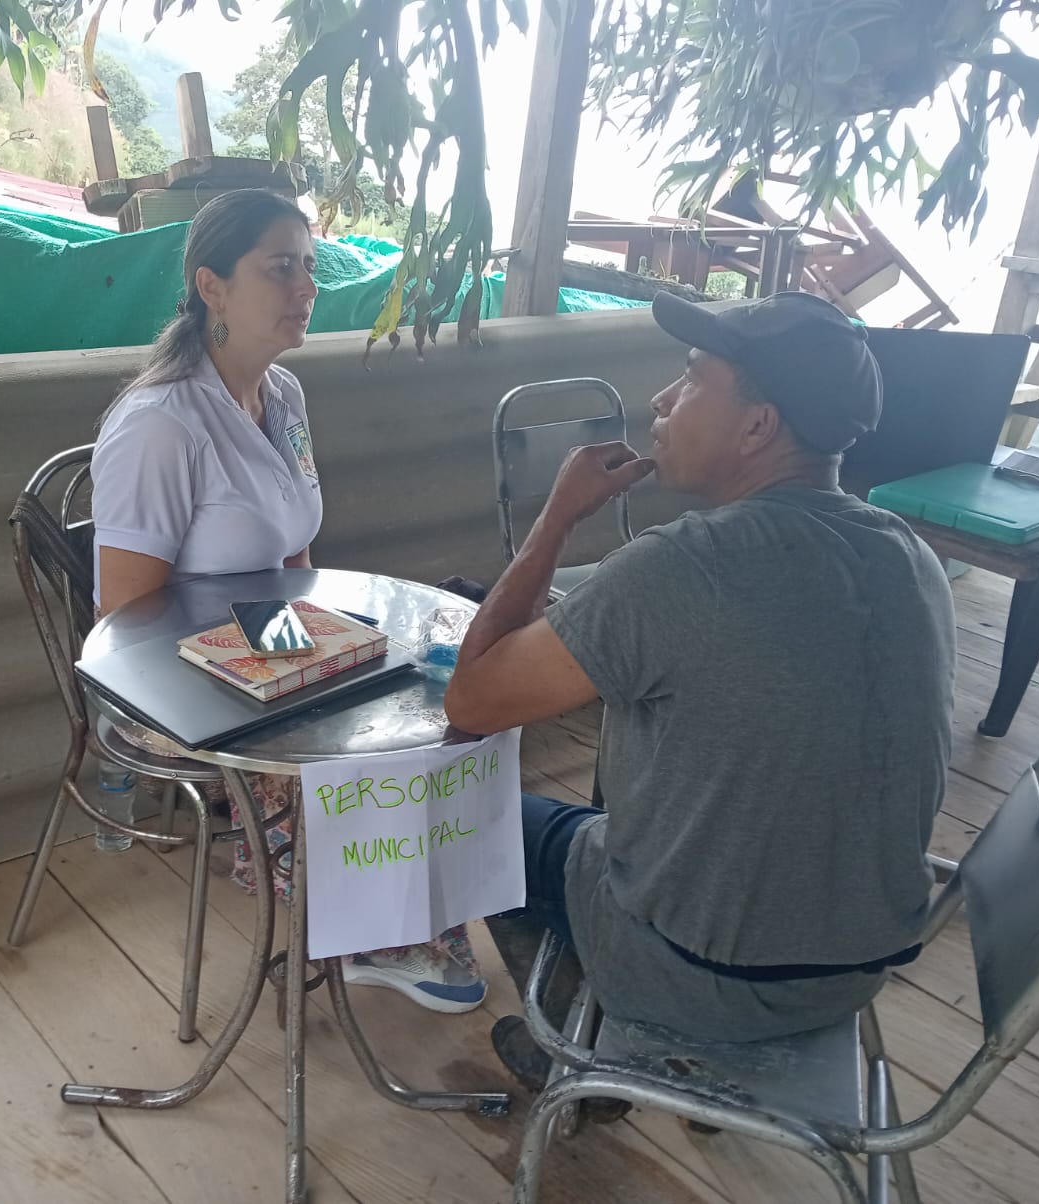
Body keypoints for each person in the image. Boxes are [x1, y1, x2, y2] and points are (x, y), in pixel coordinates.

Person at [443, 290, 955, 1085]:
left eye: (690, 379)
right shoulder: (910, 556)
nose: (661, 401)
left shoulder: (685, 566)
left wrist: (557, 518)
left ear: (758, 427)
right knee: (612, 810)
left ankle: (583, 1050)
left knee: (462, 811)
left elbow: (473, 701)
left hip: (700, 977)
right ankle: (595, 1018)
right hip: (854, 969)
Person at [91, 188, 487, 1013]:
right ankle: (367, 928)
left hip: (271, 644)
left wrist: (323, 642)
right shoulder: (161, 424)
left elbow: (295, 556)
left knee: (430, 697)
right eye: (280, 268)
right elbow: (124, 621)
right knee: (348, 745)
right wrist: (279, 664)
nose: (306, 287)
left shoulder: (285, 398)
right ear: (211, 287)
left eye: (309, 266)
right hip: (173, 679)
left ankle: (395, 911)